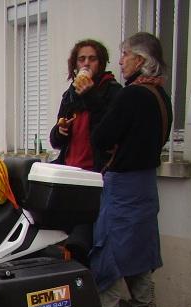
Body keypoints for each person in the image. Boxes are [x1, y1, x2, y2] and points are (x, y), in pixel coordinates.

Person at [80, 32, 172, 307]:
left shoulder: (132, 96)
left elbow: (103, 136)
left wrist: (91, 100)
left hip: (122, 187)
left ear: (141, 61)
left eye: (125, 54)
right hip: (146, 186)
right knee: (141, 257)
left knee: (109, 257)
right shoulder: (162, 97)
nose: (121, 60)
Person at [49, 39, 121, 264]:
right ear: (74, 64)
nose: (87, 63)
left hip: (95, 177)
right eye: (82, 59)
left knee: (84, 241)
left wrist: (90, 94)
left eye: (92, 58)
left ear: (101, 63)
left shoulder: (112, 91)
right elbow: (56, 141)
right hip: (69, 175)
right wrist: (60, 130)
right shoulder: (70, 95)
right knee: (62, 236)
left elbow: (110, 130)